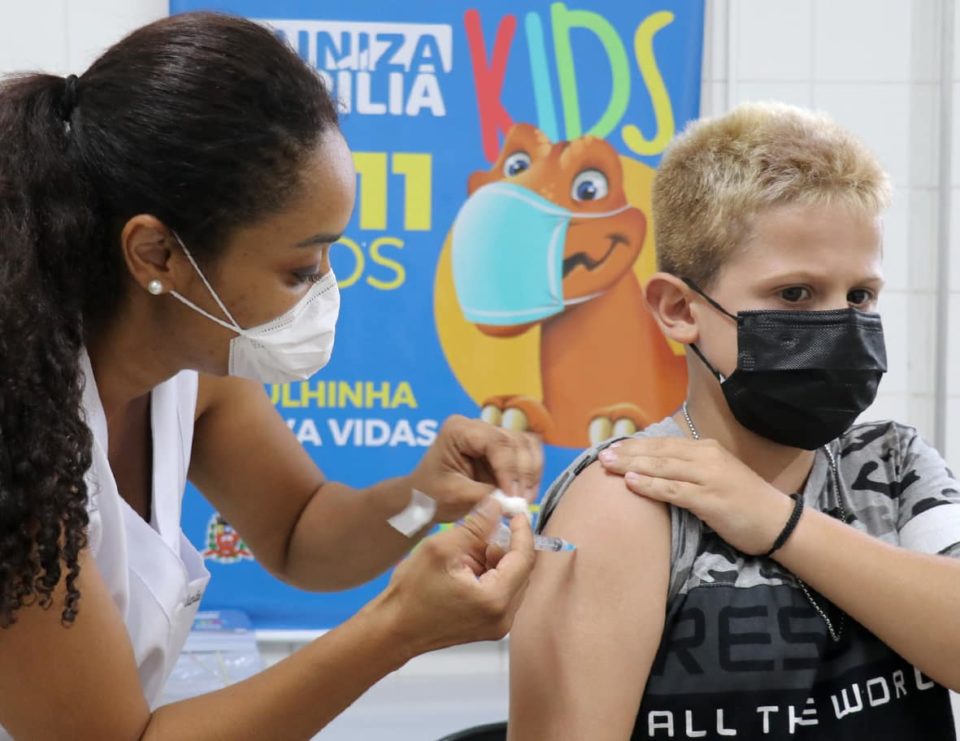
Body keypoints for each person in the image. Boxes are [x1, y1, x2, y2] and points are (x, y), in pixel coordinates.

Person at [0, 12, 542, 740]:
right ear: (157, 254)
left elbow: (298, 533)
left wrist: (423, 500)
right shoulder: (19, 438)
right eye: (299, 269)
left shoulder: (191, 372)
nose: (324, 295)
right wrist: (398, 628)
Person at [508, 102, 960, 740]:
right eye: (795, 295)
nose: (841, 325)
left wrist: (780, 523)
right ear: (678, 310)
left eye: (860, 296)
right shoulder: (632, 493)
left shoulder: (892, 464)